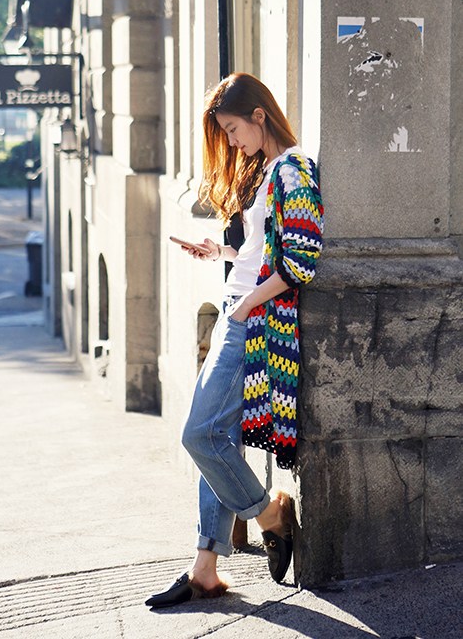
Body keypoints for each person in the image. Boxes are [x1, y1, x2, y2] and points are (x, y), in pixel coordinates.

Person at [146, 73, 324, 608]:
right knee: (217, 437)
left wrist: (246, 304)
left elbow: (301, 261)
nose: (231, 140)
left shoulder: (296, 169)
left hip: (251, 319)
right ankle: (205, 569)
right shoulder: (266, 170)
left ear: (259, 115)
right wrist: (219, 254)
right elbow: (259, 253)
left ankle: (272, 515)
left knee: (200, 437)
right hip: (236, 305)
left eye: (232, 128)